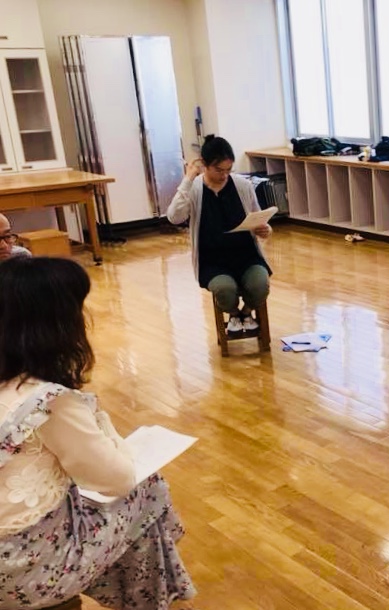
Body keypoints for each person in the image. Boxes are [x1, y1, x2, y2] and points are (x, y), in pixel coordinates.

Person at [0, 257, 195, 608]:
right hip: (22, 572)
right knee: (146, 489)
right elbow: (116, 480)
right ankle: (153, 598)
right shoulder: (48, 402)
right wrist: (95, 412)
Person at [167, 134, 272, 335]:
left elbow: (259, 219)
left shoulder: (242, 185)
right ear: (205, 165)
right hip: (212, 261)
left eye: (228, 170)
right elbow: (174, 217)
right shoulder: (194, 188)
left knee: (260, 285)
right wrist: (188, 179)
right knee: (224, 290)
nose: (224, 175)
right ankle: (233, 314)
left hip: (246, 256)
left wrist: (265, 230)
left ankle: (246, 313)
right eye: (219, 170)